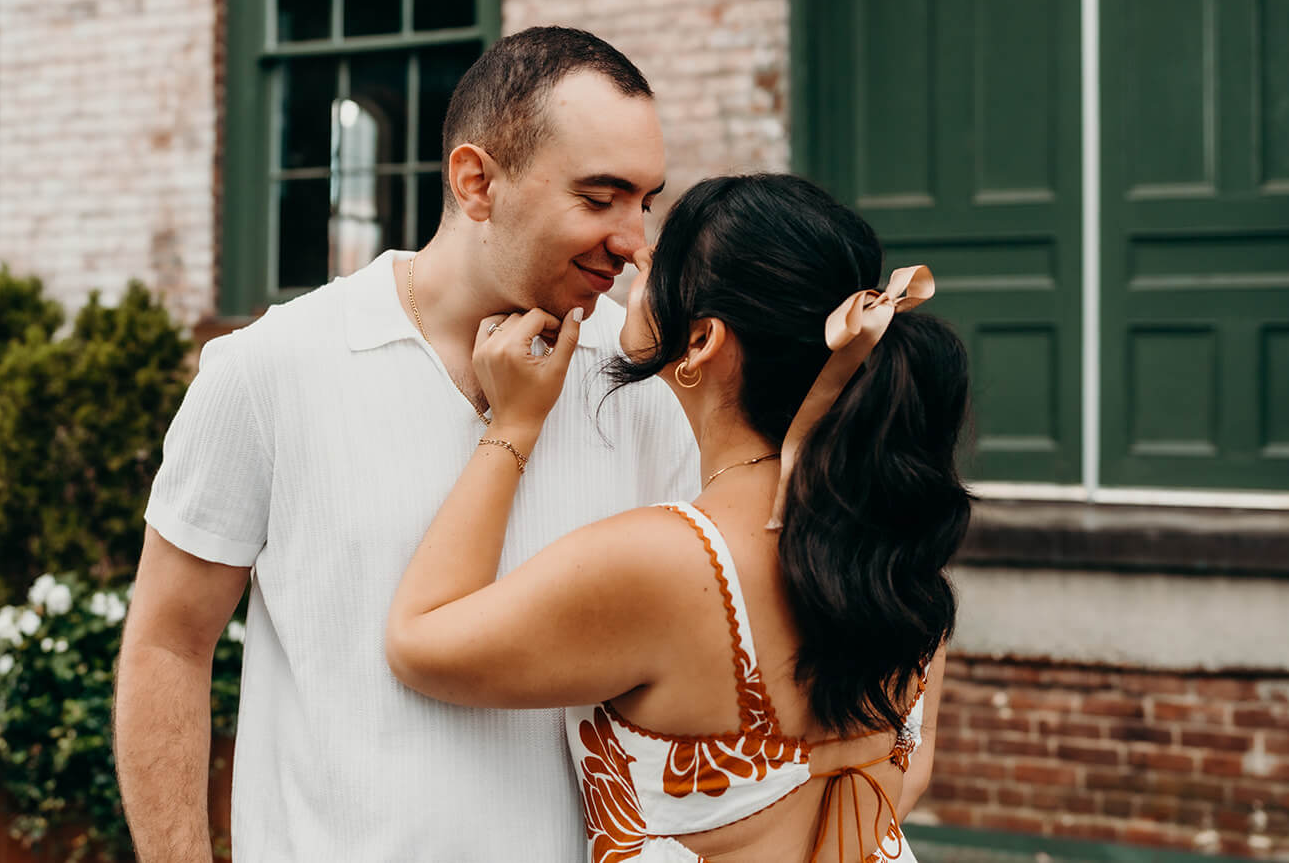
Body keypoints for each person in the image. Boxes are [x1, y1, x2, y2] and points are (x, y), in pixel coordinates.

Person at [114, 27, 700, 861]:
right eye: (599, 197)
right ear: (476, 182)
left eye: (647, 199)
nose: (635, 238)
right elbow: (170, 642)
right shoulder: (269, 368)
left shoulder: (647, 384)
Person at [386, 173, 971, 863]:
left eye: (656, 264)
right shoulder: (893, 552)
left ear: (700, 342)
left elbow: (420, 640)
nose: (633, 258)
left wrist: (512, 424)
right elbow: (910, 767)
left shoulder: (673, 561)